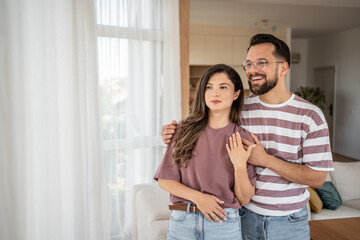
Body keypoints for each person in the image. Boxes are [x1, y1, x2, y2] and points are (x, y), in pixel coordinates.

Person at [161, 34, 334, 240]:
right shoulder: (240, 110)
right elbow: (206, 128)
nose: (252, 70)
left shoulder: (310, 115)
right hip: (244, 217)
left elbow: (318, 178)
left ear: (284, 67)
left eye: (262, 62)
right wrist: (173, 133)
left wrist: (266, 160)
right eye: (249, 64)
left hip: (289, 222)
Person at [154, 64, 257, 240]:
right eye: (209, 87)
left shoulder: (243, 138)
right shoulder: (182, 130)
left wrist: (239, 166)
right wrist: (200, 198)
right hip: (182, 222)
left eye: (223, 87)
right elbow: (165, 180)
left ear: (236, 94)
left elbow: (245, 198)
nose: (214, 93)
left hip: (223, 224)